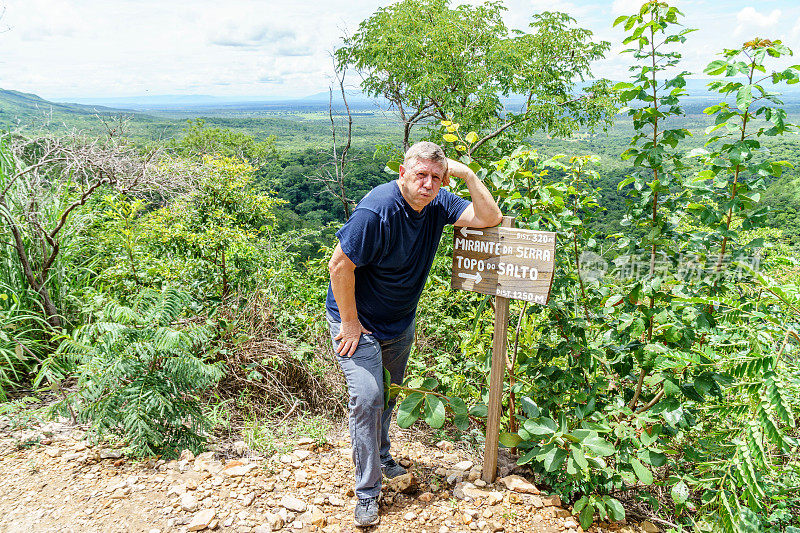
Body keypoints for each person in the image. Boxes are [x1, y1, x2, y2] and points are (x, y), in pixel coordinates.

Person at [326, 141, 502, 527]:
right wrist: (350, 322)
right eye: (420, 174)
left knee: (388, 394)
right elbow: (339, 265)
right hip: (358, 323)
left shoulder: (438, 203)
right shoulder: (378, 210)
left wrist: (468, 174)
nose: (428, 184)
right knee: (368, 398)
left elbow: (490, 217)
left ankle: (382, 454)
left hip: (399, 323)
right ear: (403, 174)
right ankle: (367, 493)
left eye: (436, 177)